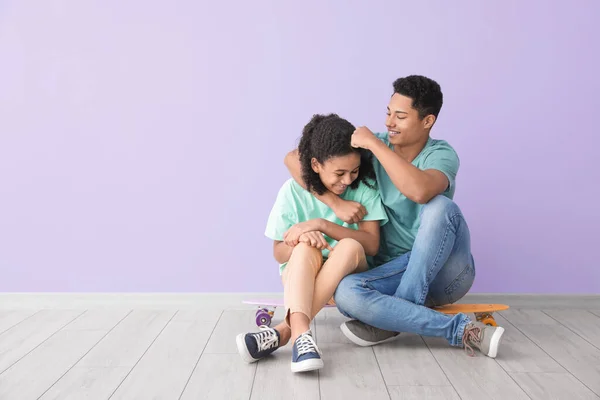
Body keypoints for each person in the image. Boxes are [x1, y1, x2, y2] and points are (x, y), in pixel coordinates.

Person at [284, 75, 505, 358]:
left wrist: (376, 147)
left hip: (446, 273)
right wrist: (335, 203)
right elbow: (293, 157)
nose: (389, 123)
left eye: (400, 116)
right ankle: (458, 330)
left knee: (441, 208)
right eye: (388, 113)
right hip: (392, 271)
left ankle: (395, 315)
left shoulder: (441, 154)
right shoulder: (373, 144)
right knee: (346, 292)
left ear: (427, 121)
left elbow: (420, 191)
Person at [236, 113, 388, 372]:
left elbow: (371, 246)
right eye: (339, 173)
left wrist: (322, 225)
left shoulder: (364, 188)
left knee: (350, 245)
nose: (348, 180)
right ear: (316, 165)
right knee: (306, 246)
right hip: (301, 273)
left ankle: (286, 331)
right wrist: (298, 241)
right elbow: (278, 253)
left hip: (350, 273)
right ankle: (301, 336)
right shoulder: (291, 191)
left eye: (354, 171)